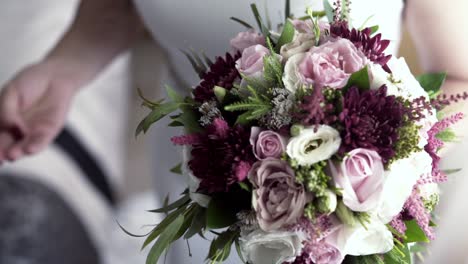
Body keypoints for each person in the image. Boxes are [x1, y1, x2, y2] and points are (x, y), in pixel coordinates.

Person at [0, 0, 467, 263]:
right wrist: (65, 68)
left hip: (351, 222)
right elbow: (122, 8)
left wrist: (383, 154)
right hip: (201, 189)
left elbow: (459, 78)